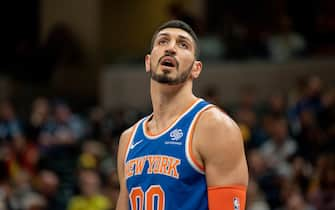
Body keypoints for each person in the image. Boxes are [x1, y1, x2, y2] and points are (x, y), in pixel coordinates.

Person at [116, 20, 248, 210]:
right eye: (162, 42)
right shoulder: (128, 139)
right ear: (148, 62)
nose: (170, 48)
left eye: (182, 44)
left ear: (196, 68)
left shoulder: (215, 127)